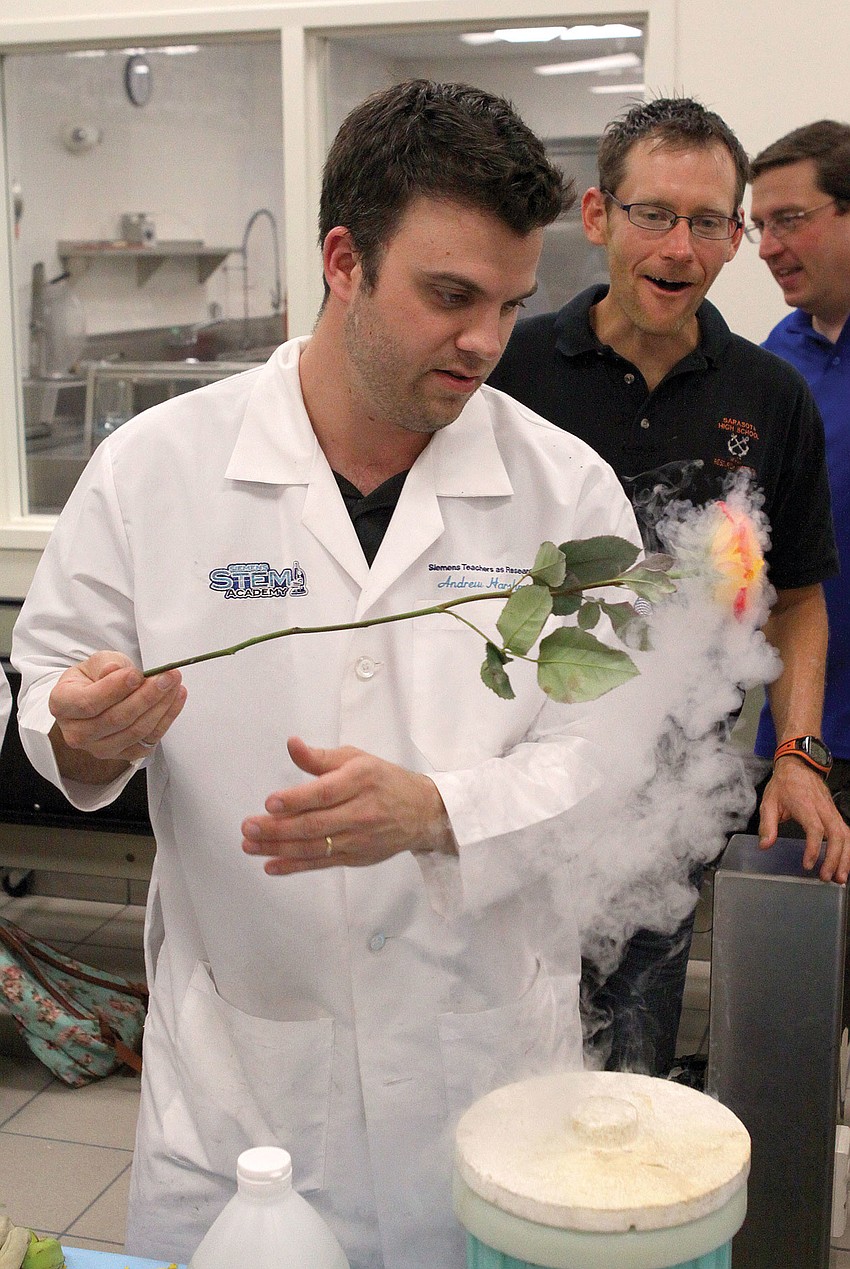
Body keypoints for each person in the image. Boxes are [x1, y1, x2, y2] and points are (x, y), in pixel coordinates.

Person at [12, 81, 641, 1269]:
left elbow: (610, 766)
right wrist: (86, 734)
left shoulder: (565, 493)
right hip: (248, 1087)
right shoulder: (156, 470)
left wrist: (441, 811)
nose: (485, 341)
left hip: (485, 1068)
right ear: (343, 259)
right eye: (448, 295)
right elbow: (50, 695)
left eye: (509, 303)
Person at [488, 96, 849, 1078]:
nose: (679, 246)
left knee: (629, 1064)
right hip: (512, 787)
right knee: (501, 1060)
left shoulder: (767, 396)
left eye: (707, 222)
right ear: (599, 216)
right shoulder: (508, 370)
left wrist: (801, 756)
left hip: (673, 801)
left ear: (734, 237)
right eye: (654, 214)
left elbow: (799, 594)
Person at [749, 121, 850, 823]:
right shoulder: (773, 368)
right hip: (801, 734)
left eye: (789, 220)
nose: (767, 247)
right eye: (758, 225)